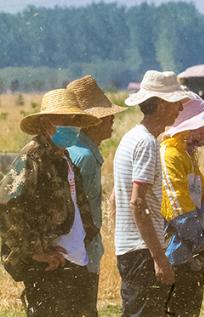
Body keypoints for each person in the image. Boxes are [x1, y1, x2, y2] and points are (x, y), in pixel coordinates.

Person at [0, 89, 100, 316]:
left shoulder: (64, 158)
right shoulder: (32, 158)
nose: (71, 126)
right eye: (64, 120)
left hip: (75, 262)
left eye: (74, 120)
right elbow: (6, 206)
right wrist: (34, 250)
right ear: (46, 123)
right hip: (49, 269)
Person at [114, 70, 188, 317]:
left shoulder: (131, 138)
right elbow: (138, 202)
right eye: (175, 102)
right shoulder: (146, 143)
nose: (180, 108)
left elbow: (116, 199)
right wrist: (159, 258)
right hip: (142, 251)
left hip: (133, 248)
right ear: (160, 104)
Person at [66, 75, 129, 314]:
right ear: (90, 122)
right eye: (105, 117)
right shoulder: (86, 157)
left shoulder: (75, 149)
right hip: (82, 253)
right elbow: (82, 214)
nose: (111, 120)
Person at [160, 96, 204, 317]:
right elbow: (180, 208)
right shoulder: (170, 155)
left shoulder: (186, 155)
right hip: (174, 256)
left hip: (190, 253)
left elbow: (203, 199)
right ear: (190, 124)